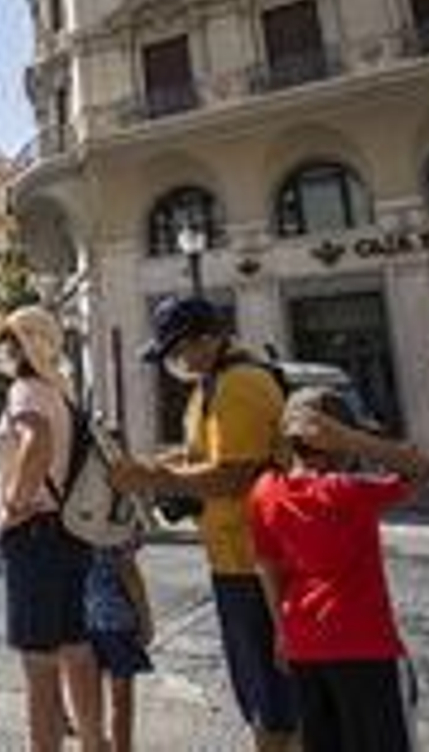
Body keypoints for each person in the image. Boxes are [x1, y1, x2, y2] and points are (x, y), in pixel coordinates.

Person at [111, 295, 299, 751]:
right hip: (234, 559)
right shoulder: (211, 386)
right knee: (255, 691)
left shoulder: (239, 385)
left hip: (255, 561)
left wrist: (155, 475)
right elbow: (207, 456)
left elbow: (235, 475)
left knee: (274, 697)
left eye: (179, 350)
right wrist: (166, 463)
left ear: (210, 338)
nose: (175, 362)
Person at [248, 387, 429, 752]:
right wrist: (355, 439)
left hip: (304, 642)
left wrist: (282, 633)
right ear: (337, 444)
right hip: (365, 644)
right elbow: (424, 470)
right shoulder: (348, 491)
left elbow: (268, 568)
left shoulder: (265, 491)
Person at [0, 304, 103, 752]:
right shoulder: (61, 392)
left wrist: (13, 504)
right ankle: (94, 743)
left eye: (8, 339)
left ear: (24, 346)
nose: (1, 347)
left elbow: (37, 440)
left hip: (35, 536)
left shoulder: (25, 390)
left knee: (39, 664)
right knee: (75, 647)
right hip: (68, 531)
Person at [84, 516, 155, 752]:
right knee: (121, 700)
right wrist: (146, 619)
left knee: (89, 702)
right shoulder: (120, 513)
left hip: (80, 619)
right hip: (118, 623)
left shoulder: (72, 510)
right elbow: (129, 572)